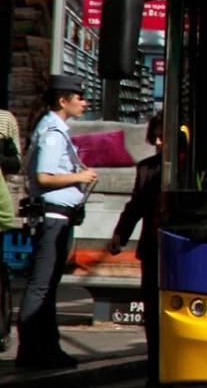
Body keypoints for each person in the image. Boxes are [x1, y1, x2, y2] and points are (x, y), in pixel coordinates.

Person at [18, 74, 97, 370]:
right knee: (41, 286)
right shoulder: (52, 133)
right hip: (52, 219)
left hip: (58, 218)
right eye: (80, 97)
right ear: (63, 100)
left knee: (48, 286)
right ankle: (33, 351)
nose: (84, 102)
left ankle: (47, 349)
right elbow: (43, 176)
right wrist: (80, 176)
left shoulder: (56, 130)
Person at [108, 114, 163, 383]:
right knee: (152, 315)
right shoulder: (147, 168)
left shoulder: (194, 168)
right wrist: (120, 235)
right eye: (157, 137)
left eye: (166, 136)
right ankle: (155, 371)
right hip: (153, 251)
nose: (161, 142)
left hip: (185, 254)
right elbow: (135, 207)